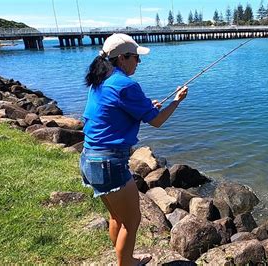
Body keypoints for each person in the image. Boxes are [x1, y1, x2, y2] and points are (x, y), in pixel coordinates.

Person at [80, 33, 187, 265]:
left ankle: (125, 258)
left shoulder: (99, 81)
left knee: (116, 217)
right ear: (122, 58)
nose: (139, 62)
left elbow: (113, 113)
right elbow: (157, 121)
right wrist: (177, 101)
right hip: (109, 163)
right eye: (136, 57)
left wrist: (148, 107)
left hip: (89, 158)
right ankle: (126, 263)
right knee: (132, 220)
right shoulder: (126, 84)